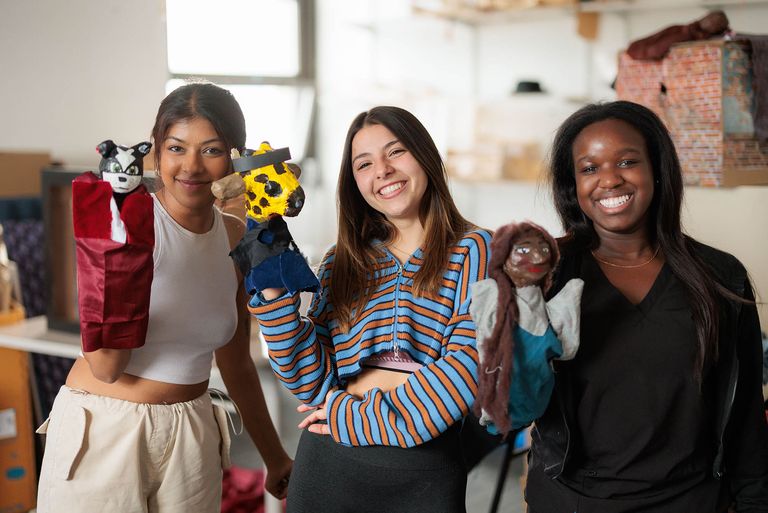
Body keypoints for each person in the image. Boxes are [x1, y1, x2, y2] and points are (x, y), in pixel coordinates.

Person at [36, 82, 292, 513]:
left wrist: (275, 456)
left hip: (192, 431)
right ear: (154, 151)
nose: (191, 166)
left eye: (211, 150)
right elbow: (106, 367)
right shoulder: (125, 224)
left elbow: (236, 361)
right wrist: (122, 261)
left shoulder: (235, 236)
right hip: (107, 429)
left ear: (235, 156)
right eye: (176, 147)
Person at [525, 100, 768, 512]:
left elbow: (745, 417)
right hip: (573, 503)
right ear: (573, 186)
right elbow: (512, 397)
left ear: (656, 168)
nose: (609, 180)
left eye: (626, 161)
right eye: (589, 168)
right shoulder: (547, 275)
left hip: (691, 502)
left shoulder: (721, 276)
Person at [248, 106, 492, 513]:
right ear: (355, 182)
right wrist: (271, 287)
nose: (382, 170)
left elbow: (465, 371)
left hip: (423, 473)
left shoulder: (477, 250)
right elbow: (310, 383)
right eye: (364, 163)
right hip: (327, 468)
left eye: (395, 152)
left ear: (425, 156)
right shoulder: (339, 261)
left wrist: (349, 414)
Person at [470, 221, 582, 436]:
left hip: (536, 399)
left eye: (544, 249)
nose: (538, 257)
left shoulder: (547, 302)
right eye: (523, 250)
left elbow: (564, 349)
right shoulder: (491, 297)